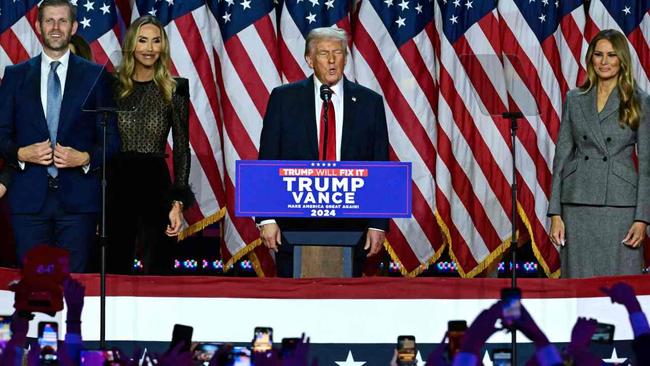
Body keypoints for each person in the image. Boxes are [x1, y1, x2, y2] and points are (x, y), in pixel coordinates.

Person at [257, 27, 389, 277]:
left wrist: (377, 223)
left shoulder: (369, 102)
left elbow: (379, 164)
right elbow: (268, 159)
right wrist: (267, 218)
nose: (331, 60)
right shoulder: (284, 99)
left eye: (338, 53)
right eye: (324, 53)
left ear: (345, 58)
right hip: (293, 223)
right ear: (309, 59)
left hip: (352, 225)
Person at [0, 0, 120, 272]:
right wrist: (20, 153)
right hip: (29, 201)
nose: (56, 27)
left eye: (62, 21)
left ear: (74, 26)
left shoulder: (96, 76)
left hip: (78, 202)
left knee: (74, 285)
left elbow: (111, 138)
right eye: (49, 21)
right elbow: (1, 133)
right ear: (39, 26)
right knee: (33, 286)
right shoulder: (15, 76)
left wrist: (86, 157)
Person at [548, 29, 650, 278]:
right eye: (599, 55)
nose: (604, 62)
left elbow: (647, 164)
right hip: (577, 204)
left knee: (621, 286)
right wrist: (556, 213)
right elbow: (561, 157)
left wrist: (642, 219)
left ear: (622, 59)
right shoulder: (574, 98)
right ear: (590, 59)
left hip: (620, 205)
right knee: (578, 285)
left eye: (612, 55)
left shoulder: (639, 100)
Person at [107, 15, 194, 275]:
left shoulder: (174, 88)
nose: (149, 48)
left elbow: (181, 147)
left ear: (163, 47)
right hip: (116, 182)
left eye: (156, 41)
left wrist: (178, 203)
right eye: (143, 41)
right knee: (114, 264)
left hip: (155, 182)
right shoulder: (111, 86)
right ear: (132, 45)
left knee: (159, 265)